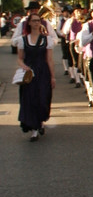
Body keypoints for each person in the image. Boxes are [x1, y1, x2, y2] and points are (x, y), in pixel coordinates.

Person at [16, 12, 56, 141]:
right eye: (33, 21)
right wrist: (24, 66)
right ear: (29, 23)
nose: (36, 23)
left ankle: (40, 122)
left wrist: (53, 77)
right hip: (29, 74)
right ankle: (34, 130)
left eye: (38, 20)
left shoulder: (46, 39)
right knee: (30, 100)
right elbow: (20, 58)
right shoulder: (23, 40)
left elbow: (49, 59)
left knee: (43, 98)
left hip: (43, 72)